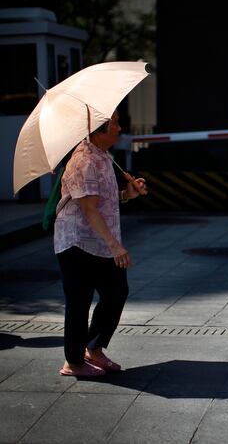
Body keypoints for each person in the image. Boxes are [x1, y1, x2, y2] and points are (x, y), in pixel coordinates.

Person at [54, 111, 147, 377]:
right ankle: (72, 362)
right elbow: (89, 209)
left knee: (116, 291)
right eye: (114, 123)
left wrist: (126, 194)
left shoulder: (103, 156)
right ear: (98, 130)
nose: (119, 128)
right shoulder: (84, 160)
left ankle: (93, 348)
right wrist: (116, 246)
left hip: (99, 239)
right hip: (77, 242)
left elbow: (102, 199)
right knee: (79, 301)